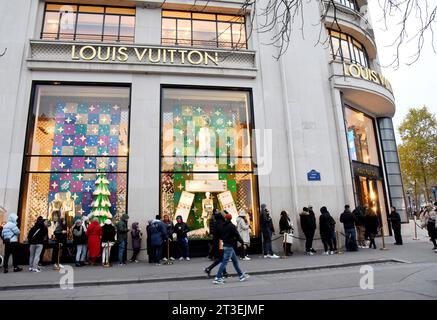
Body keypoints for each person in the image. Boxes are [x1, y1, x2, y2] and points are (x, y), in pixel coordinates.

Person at [213, 213, 250, 284]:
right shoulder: (232, 226)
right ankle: (217, 277)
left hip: (226, 245)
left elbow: (220, 235)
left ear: (226, 218)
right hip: (229, 246)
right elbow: (237, 235)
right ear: (231, 219)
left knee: (235, 261)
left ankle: (241, 275)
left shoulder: (223, 226)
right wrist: (243, 243)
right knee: (224, 262)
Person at [205, 210, 229, 278]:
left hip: (217, 242)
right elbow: (221, 234)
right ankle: (209, 268)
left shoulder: (217, 222)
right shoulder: (220, 223)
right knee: (221, 258)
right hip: (220, 242)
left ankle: (224, 273)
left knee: (222, 258)